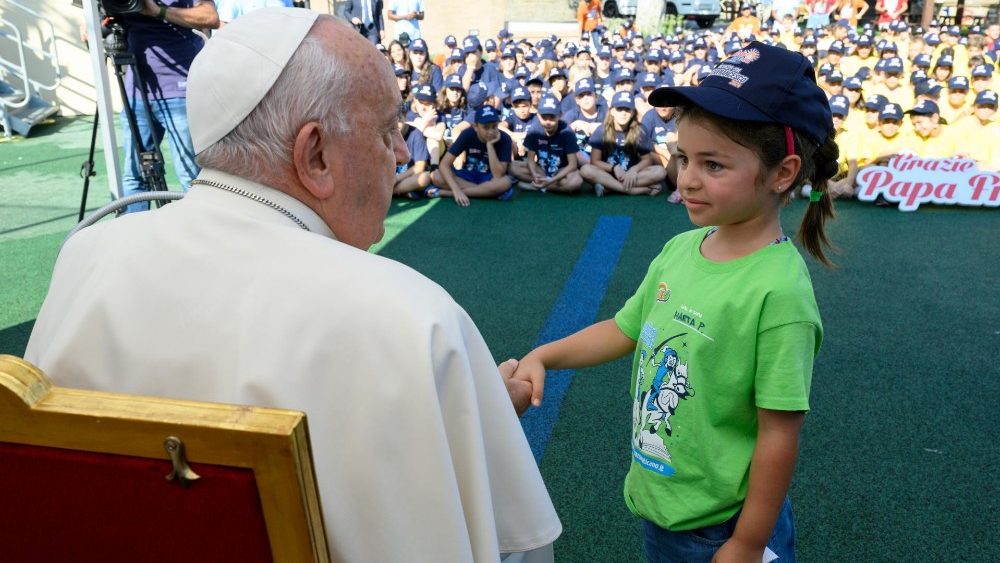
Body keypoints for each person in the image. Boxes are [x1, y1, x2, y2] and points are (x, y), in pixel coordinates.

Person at [26, 9, 560, 562]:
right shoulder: (411, 317)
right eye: (386, 132)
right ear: (316, 155)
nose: (402, 154)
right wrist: (474, 415)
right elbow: (510, 547)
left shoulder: (86, 256)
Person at [514, 42, 838, 562]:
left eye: (713, 165)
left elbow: (779, 434)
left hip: (723, 527)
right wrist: (545, 355)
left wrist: (750, 543)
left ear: (782, 173)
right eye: (684, 158)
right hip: (666, 505)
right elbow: (626, 328)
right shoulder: (683, 248)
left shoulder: (779, 292)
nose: (686, 177)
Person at [99, 0, 219, 213]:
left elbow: (210, 17)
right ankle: (133, 239)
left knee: (190, 175)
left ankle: (197, 237)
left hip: (179, 89)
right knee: (134, 176)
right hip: (136, 89)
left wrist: (158, 10)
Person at [579, 91, 667, 196]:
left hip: (632, 175)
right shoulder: (601, 130)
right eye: (619, 109)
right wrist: (614, 168)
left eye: (627, 109)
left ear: (633, 112)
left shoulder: (640, 130)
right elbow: (595, 161)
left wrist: (634, 170)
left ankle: (609, 188)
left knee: (660, 172)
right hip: (608, 174)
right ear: (612, 111)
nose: (623, 113)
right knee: (585, 170)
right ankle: (634, 190)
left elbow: (647, 160)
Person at [430, 105, 516, 206]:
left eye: (494, 126)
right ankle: (486, 193)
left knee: (505, 182)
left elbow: (498, 174)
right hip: (467, 175)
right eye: (486, 127)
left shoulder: (505, 138)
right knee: (435, 176)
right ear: (475, 127)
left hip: (489, 178)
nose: (491, 131)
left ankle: (448, 193)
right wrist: (456, 189)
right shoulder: (467, 134)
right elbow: (444, 164)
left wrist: (490, 145)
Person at [510, 94, 583, 194]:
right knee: (512, 166)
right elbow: (530, 160)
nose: (548, 122)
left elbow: (572, 165)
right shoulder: (534, 130)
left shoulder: (567, 131)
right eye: (544, 117)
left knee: (576, 182)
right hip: (541, 169)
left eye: (552, 117)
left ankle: (540, 187)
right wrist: (535, 174)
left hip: (561, 171)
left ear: (559, 116)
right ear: (538, 116)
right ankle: (553, 187)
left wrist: (550, 182)